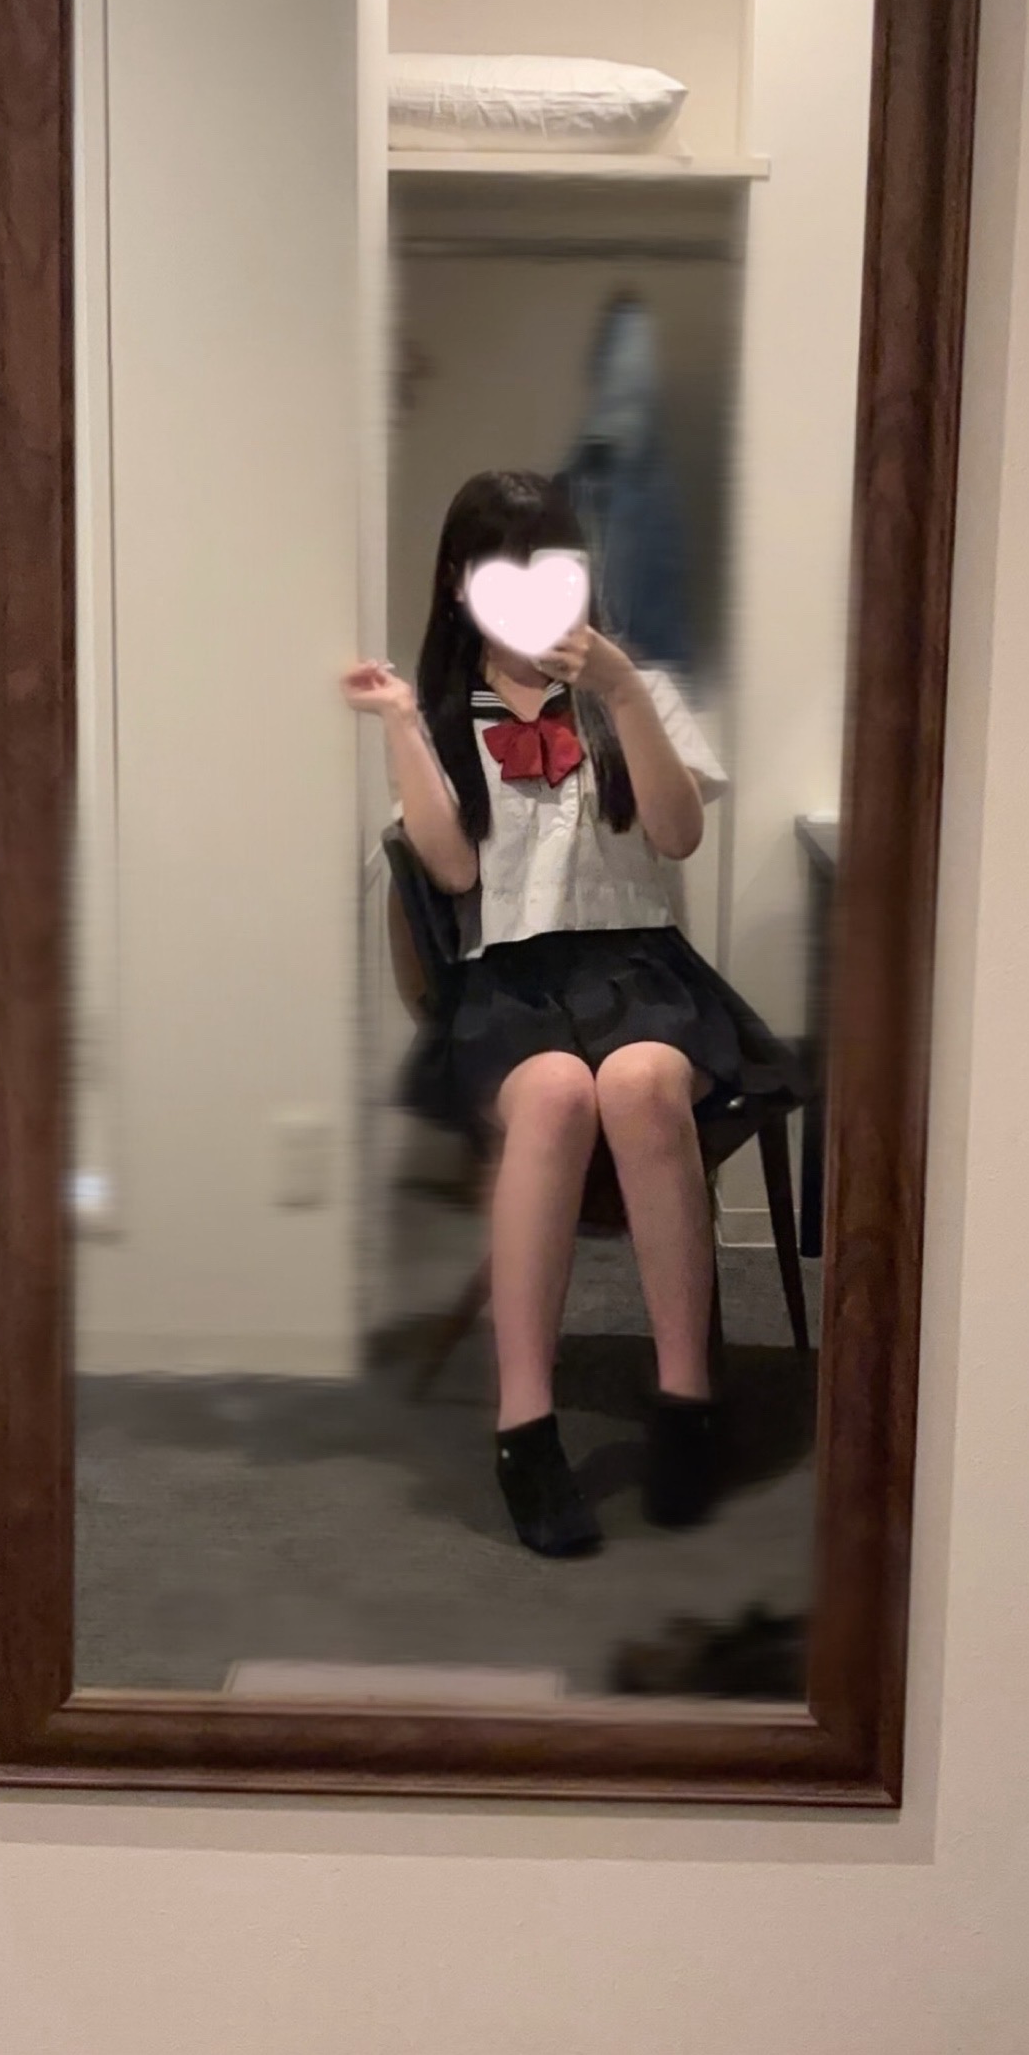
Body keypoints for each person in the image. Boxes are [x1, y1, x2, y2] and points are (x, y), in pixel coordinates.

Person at [343, 471, 803, 1560]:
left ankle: (687, 1401)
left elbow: (678, 836)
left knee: (640, 1084)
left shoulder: (632, 690)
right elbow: (452, 870)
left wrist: (624, 692)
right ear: (460, 584)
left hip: (638, 967)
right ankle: (526, 1427)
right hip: (507, 982)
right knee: (552, 1095)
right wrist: (402, 722)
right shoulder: (444, 716)